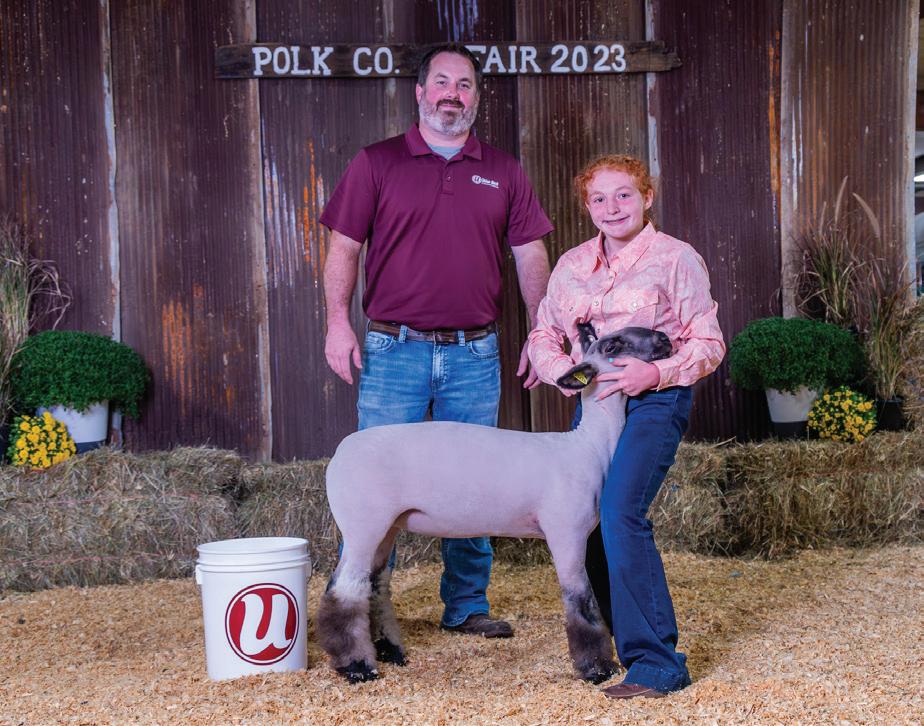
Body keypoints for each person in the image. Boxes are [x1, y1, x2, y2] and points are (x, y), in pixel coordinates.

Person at [320, 43, 553, 638]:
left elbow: (530, 253)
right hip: (393, 349)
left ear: (476, 96)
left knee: (476, 483)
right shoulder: (377, 162)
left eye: (465, 84)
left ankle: (467, 605)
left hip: (474, 352)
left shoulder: (503, 170)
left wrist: (541, 330)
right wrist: (337, 322)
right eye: (442, 83)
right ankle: (368, 612)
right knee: (377, 484)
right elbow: (344, 247)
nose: (453, 94)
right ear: (421, 92)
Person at [528, 154, 725, 698]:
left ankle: (657, 664)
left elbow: (709, 343)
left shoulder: (676, 258)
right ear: (587, 206)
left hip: (655, 400)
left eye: (624, 195)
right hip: (595, 406)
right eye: (599, 198)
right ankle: (614, 640)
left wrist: (655, 372)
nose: (612, 207)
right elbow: (543, 333)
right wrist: (561, 373)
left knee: (620, 510)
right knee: (591, 520)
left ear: (647, 198)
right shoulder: (572, 265)